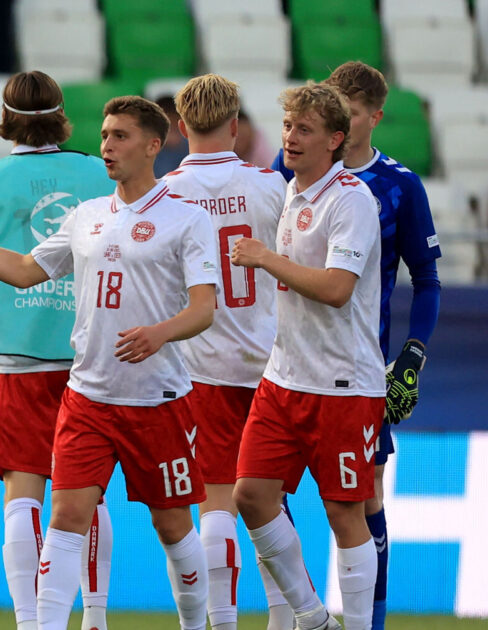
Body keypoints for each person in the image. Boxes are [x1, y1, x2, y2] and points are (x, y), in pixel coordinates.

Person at [0, 94, 219, 630]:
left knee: (173, 528)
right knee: (67, 519)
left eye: (119, 136)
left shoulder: (186, 218)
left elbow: (204, 308)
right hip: (88, 398)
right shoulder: (87, 215)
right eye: (104, 134)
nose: (107, 146)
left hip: (157, 400)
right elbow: (27, 269)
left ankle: (202, 623)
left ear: (152, 144)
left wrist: (159, 334)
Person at [0, 70, 115, 630]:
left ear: (5, 119)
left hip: (20, 360)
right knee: (88, 494)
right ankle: (97, 616)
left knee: (22, 491)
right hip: (90, 359)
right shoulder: (100, 173)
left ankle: (32, 621)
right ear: (62, 117)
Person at [269, 62, 443, 630]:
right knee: (265, 487)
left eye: (353, 109)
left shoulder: (398, 185)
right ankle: (301, 611)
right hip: (290, 363)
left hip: (357, 369)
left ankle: (372, 618)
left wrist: (411, 356)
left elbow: (427, 279)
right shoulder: (289, 170)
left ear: (371, 117)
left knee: (365, 495)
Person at [231, 83, 384, 630]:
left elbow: (339, 287)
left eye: (305, 130)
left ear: (335, 140)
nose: (290, 138)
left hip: (343, 384)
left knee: (345, 513)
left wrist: (267, 260)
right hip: (284, 377)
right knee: (250, 495)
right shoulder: (293, 191)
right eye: (290, 126)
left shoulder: (351, 200)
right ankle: (313, 617)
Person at [160, 74, 291, 630]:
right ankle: (287, 618)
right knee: (271, 505)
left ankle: (222, 621)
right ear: (237, 126)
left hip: (198, 366)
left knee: (215, 501)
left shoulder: (163, 192)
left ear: (181, 126)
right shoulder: (270, 186)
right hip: (271, 364)